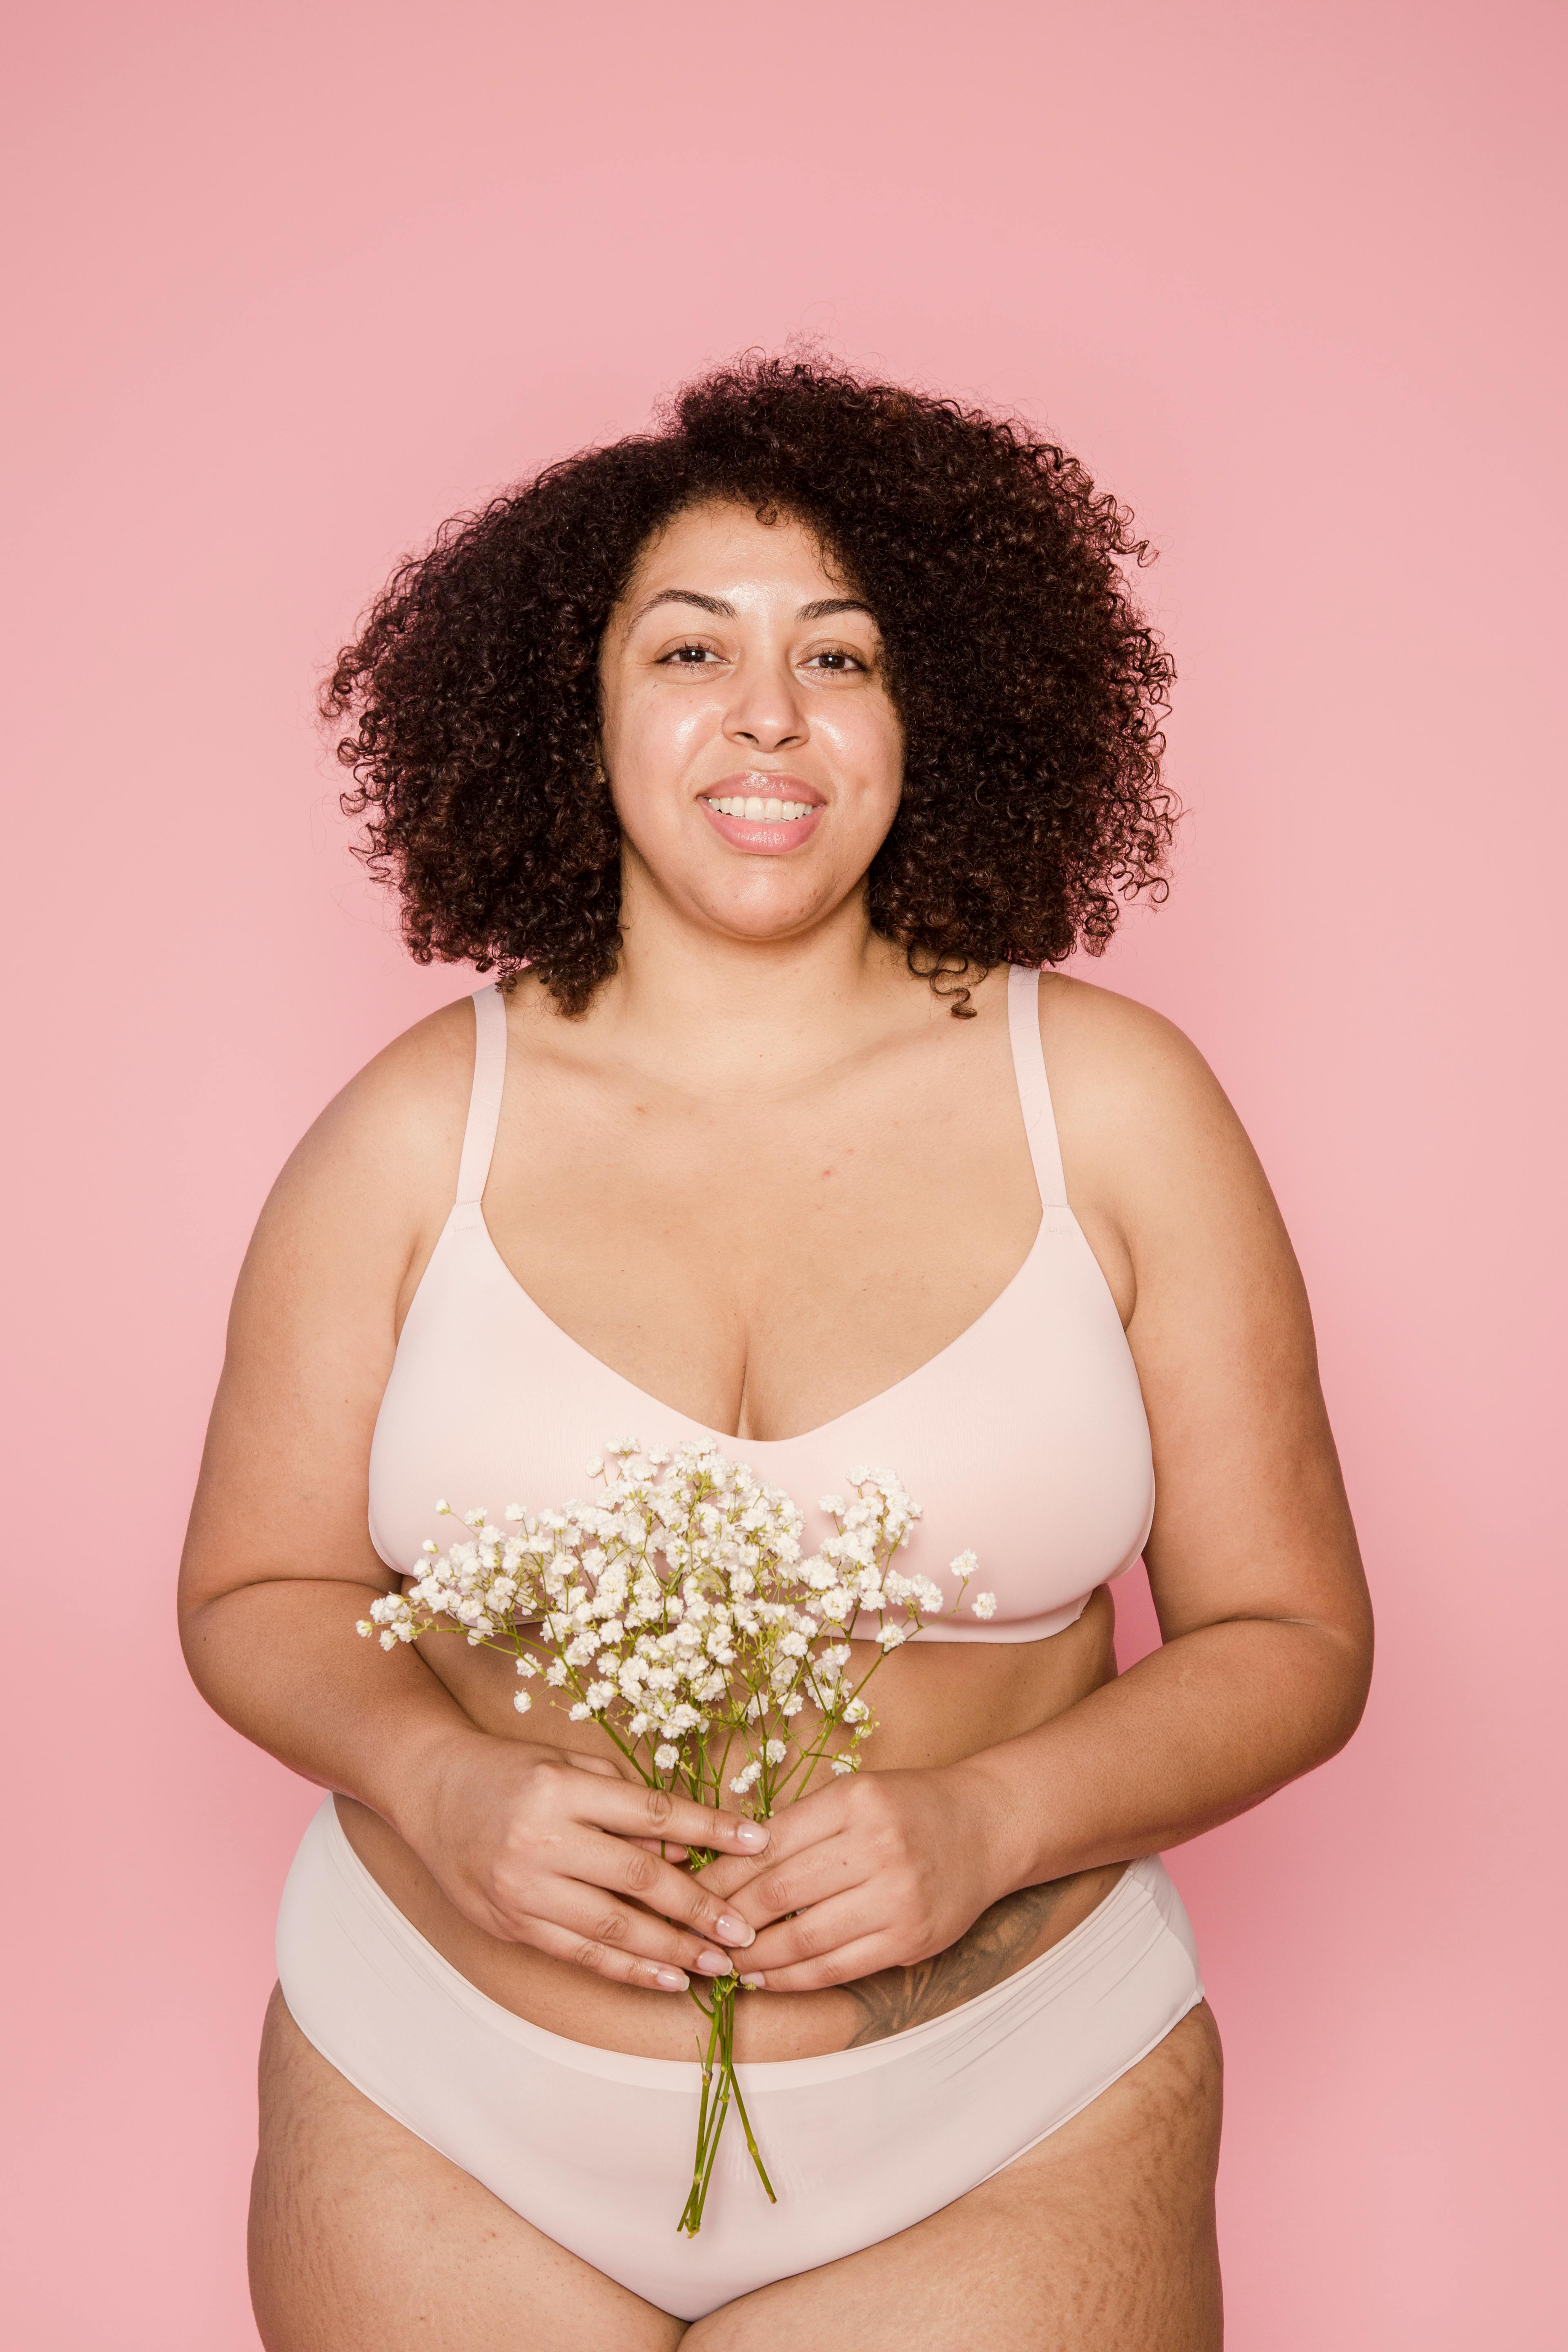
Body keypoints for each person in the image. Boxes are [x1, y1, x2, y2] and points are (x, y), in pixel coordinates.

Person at [178, 355, 1372, 2351]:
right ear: (576, 706)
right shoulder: (406, 1134)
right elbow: (253, 1588)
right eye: (688, 649)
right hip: (443, 2119)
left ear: (944, 716)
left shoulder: (1124, 1108)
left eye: (845, 655)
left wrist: (989, 1825)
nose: (768, 715)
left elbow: (1298, 1643)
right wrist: (436, 1780)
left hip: (1008, 2127)